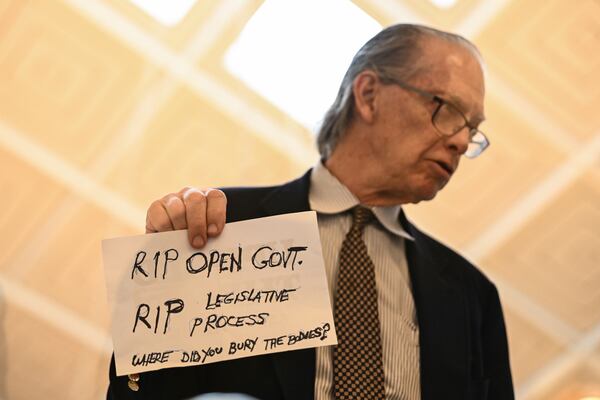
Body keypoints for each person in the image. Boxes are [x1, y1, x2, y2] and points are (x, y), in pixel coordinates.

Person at [108, 24, 514, 400]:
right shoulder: (223, 229)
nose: (461, 141)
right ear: (369, 95)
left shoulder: (472, 296)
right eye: (446, 109)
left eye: (472, 129)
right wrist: (161, 289)